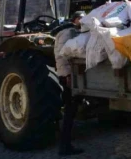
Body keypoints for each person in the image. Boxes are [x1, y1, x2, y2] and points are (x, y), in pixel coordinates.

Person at [52, 11, 86, 156]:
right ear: (76, 19)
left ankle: (65, 144)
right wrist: (67, 75)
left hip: (69, 75)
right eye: (82, 19)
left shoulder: (72, 31)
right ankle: (64, 146)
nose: (83, 22)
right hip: (67, 76)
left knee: (71, 110)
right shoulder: (67, 32)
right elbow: (62, 55)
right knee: (69, 111)